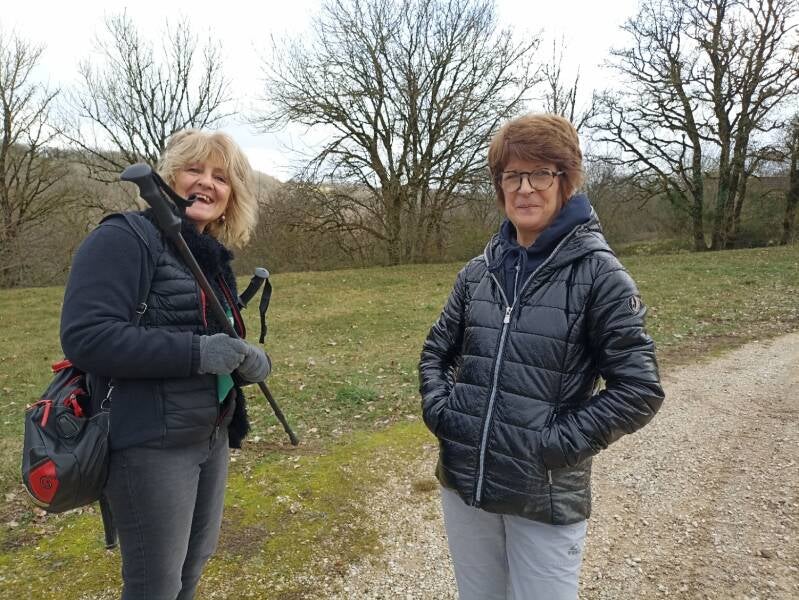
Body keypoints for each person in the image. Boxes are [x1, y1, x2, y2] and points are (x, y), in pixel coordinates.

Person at [419, 113, 665, 599]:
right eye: (512, 175)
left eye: (540, 174)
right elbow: (435, 352)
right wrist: (445, 415)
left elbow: (639, 389)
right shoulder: (477, 273)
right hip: (466, 483)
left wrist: (549, 446)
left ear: (565, 180)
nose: (525, 188)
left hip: (544, 494)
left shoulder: (601, 277)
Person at [60, 129, 270, 599]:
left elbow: (217, 337)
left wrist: (248, 360)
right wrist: (198, 354)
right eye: (194, 169)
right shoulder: (123, 238)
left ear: (231, 197)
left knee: (191, 568)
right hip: (150, 444)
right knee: (154, 586)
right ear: (169, 177)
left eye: (221, 177)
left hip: (210, 435)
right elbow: (86, 338)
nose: (207, 183)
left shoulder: (208, 256)